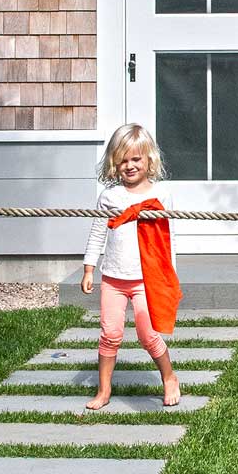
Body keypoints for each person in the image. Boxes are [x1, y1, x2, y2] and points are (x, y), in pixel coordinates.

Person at [81, 123, 183, 409]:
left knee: (148, 334)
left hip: (145, 280)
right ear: (114, 163)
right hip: (113, 278)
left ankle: (169, 376)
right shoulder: (110, 197)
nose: (129, 165)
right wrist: (89, 267)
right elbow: (98, 232)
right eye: (123, 160)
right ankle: (104, 390)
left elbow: (168, 239)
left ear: (149, 159)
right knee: (110, 334)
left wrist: (169, 275)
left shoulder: (161, 196)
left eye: (135, 159)